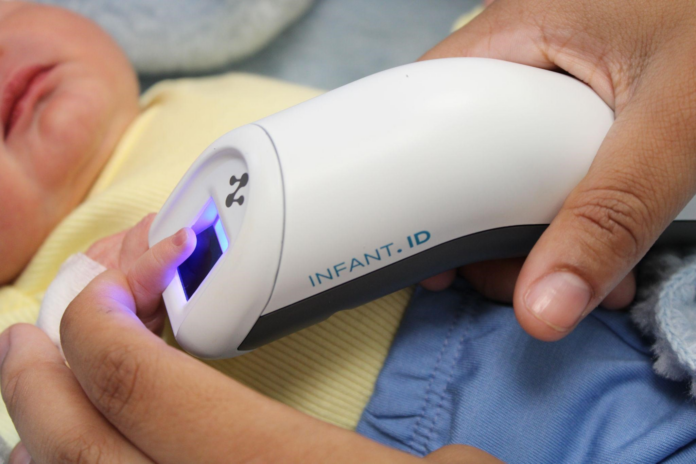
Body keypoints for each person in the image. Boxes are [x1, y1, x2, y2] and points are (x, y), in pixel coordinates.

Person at [2, 0, 696, 461]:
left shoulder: (198, 89)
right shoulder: (16, 308)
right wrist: (73, 306)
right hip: (421, 427)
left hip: (562, 292)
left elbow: (479, 62)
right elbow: (38, 418)